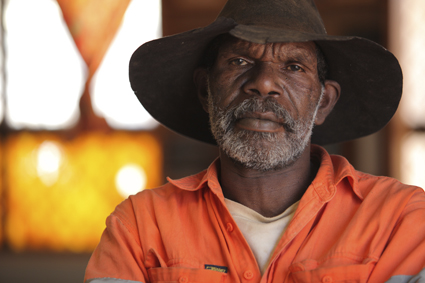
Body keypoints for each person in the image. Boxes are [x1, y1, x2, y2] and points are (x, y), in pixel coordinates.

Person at [84, 0, 425, 282]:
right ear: (206, 90)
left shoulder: (400, 218)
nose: (263, 83)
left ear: (323, 101)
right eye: (239, 61)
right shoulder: (142, 225)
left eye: (293, 67)